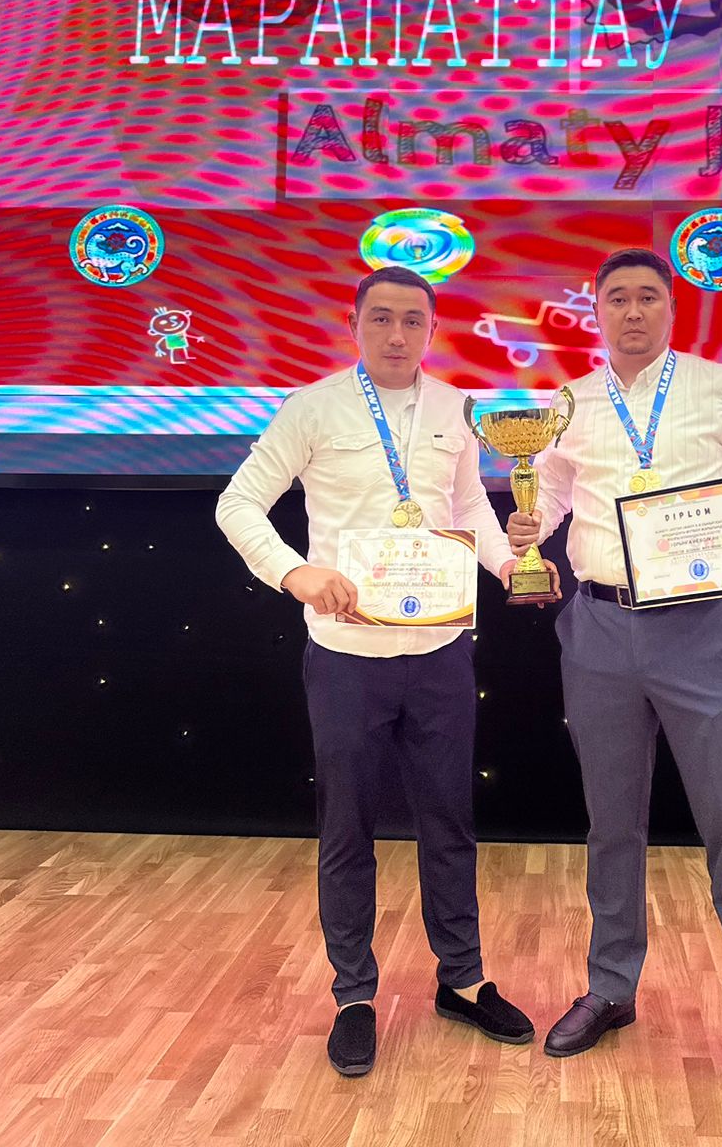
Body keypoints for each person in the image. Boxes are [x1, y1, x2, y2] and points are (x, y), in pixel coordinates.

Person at [507, 248, 722, 1126]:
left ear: (671, 309)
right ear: (595, 311)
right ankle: (610, 986)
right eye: (617, 299)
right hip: (598, 627)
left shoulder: (717, 385)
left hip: (701, 628)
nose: (632, 312)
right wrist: (527, 522)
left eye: (647, 298)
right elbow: (553, 492)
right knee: (612, 826)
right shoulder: (571, 403)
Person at [217, 265, 537, 1078]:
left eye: (413, 320)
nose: (398, 334)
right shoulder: (312, 407)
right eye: (383, 318)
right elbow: (237, 503)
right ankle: (354, 996)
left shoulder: (456, 408)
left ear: (432, 329)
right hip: (346, 656)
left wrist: (508, 564)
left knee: (449, 823)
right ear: (354, 323)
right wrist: (295, 573)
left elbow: (469, 509)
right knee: (347, 829)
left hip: (439, 652)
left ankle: (462, 980)